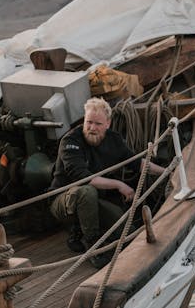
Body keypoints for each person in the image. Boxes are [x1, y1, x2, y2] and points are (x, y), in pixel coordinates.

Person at [49, 97, 166, 267]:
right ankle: (93, 247)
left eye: (98, 124)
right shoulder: (70, 142)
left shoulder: (113, 140)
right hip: (63, 201)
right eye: (88, 122)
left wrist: (168, 171)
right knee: (86, 191)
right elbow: (84, 178)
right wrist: (119, 185)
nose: (92, 128)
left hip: (94, 200)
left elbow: (136, 162)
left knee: (128, 233)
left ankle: (82, 230)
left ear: (108, 124)